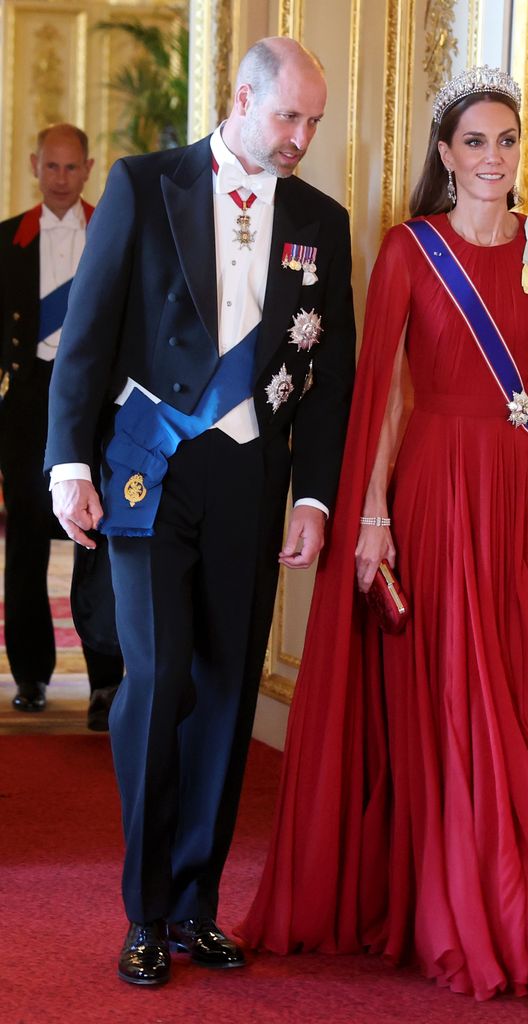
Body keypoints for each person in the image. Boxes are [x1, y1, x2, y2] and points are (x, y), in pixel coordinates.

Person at [238, 66, 528, 998]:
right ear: (446, 156)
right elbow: (380, 397)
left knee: (526, 692)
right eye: (474, 142)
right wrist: (371, 512)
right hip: (433, 487)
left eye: (506, 141)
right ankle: (480, 902)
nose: (492, 158)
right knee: (459, 693)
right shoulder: (410, 249)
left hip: (516, 491)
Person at [45, 37, 355, 987]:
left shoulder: (321, 220)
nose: (302, 136)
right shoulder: (147, 185)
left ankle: (194, 907)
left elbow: (332, 372)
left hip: (250, 483)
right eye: (287, 116)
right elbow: (89, 336)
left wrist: (313, 491)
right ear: (241, 97)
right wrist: (66, 465)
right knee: (159, 675)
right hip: (148, 471)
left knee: (224, 686)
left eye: (314, 121)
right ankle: (144, 910)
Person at [0, 124, 124, 727]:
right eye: (51, 167)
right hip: (26, 403)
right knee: (25, 538)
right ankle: (30, 674)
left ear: (90, 167)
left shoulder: (115, 229)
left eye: (73, 168)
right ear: (34, 165)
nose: (61, 179)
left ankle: (105, 682)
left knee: (96, 536)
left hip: (97, 402)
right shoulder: (7, 241)